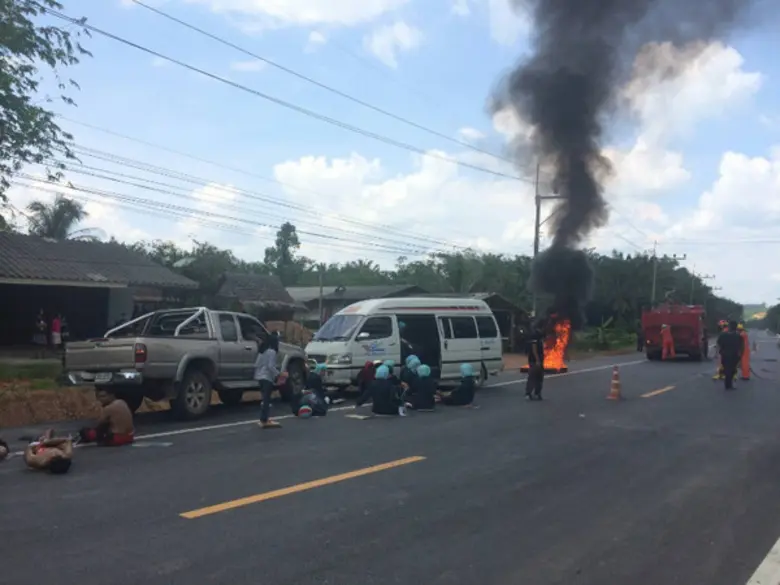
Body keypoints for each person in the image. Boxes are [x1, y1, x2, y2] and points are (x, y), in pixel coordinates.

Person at [253, 333, 282, 429]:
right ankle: (264, 419)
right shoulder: (272, 352)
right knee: (266, 399)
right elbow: (271, 366)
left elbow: (256, 364)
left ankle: (264, 418)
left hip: (259, 377)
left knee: (264, 398)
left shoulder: (262, 351)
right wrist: (279, 374)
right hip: (267, 378)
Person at [716, 320, 743, 390]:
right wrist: (740, 357)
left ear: (729, 327)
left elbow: (718, 344)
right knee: (732, 370)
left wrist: (719, 352)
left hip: (725, 355)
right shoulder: (738, 336)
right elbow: (741, 347)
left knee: (727, 369)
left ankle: (728, 384)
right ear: (736, 327)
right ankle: (729, 384)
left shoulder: (723, 335)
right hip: (734, 355)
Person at [525, 319, 545, 400]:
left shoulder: (540, 335)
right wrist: (537, 360)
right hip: (534, 360)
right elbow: (534, 349)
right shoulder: (534, 335)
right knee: (532, 377)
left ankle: (537, 393)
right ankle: (528, 393)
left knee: (539, 378)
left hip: (539, 360)